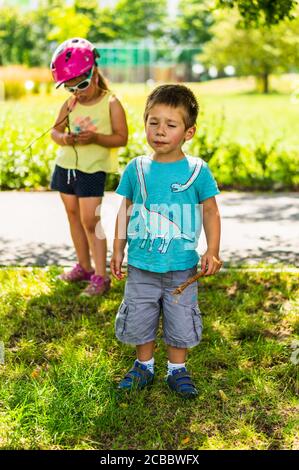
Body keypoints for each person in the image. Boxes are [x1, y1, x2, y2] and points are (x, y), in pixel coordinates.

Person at [110, 84, 222, 398]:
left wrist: (212, 250)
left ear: (188, 132)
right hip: (142, 265)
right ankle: (143, 365)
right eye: (153, 122)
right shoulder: (137, 169)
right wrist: (117, 248)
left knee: (181, 318)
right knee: (140, 314)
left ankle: (177, 370)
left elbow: (211, 212)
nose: (160, 131)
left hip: (182, 268)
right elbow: (126, 210)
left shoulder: (197, 171)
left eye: (170, 125)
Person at [50, 38, 128, 296]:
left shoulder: (111, 102)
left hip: (92, 169)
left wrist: (95, 138)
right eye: (70, 88)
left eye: (81, 85)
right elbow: (55, 131)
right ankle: (83, 267)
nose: (78, 92)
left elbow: (121, 138)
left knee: (90, 219)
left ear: (94, 72)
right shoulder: (71, 103)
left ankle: (100, 276)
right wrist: (64, 138)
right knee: (72, 215)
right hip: (67, 166)